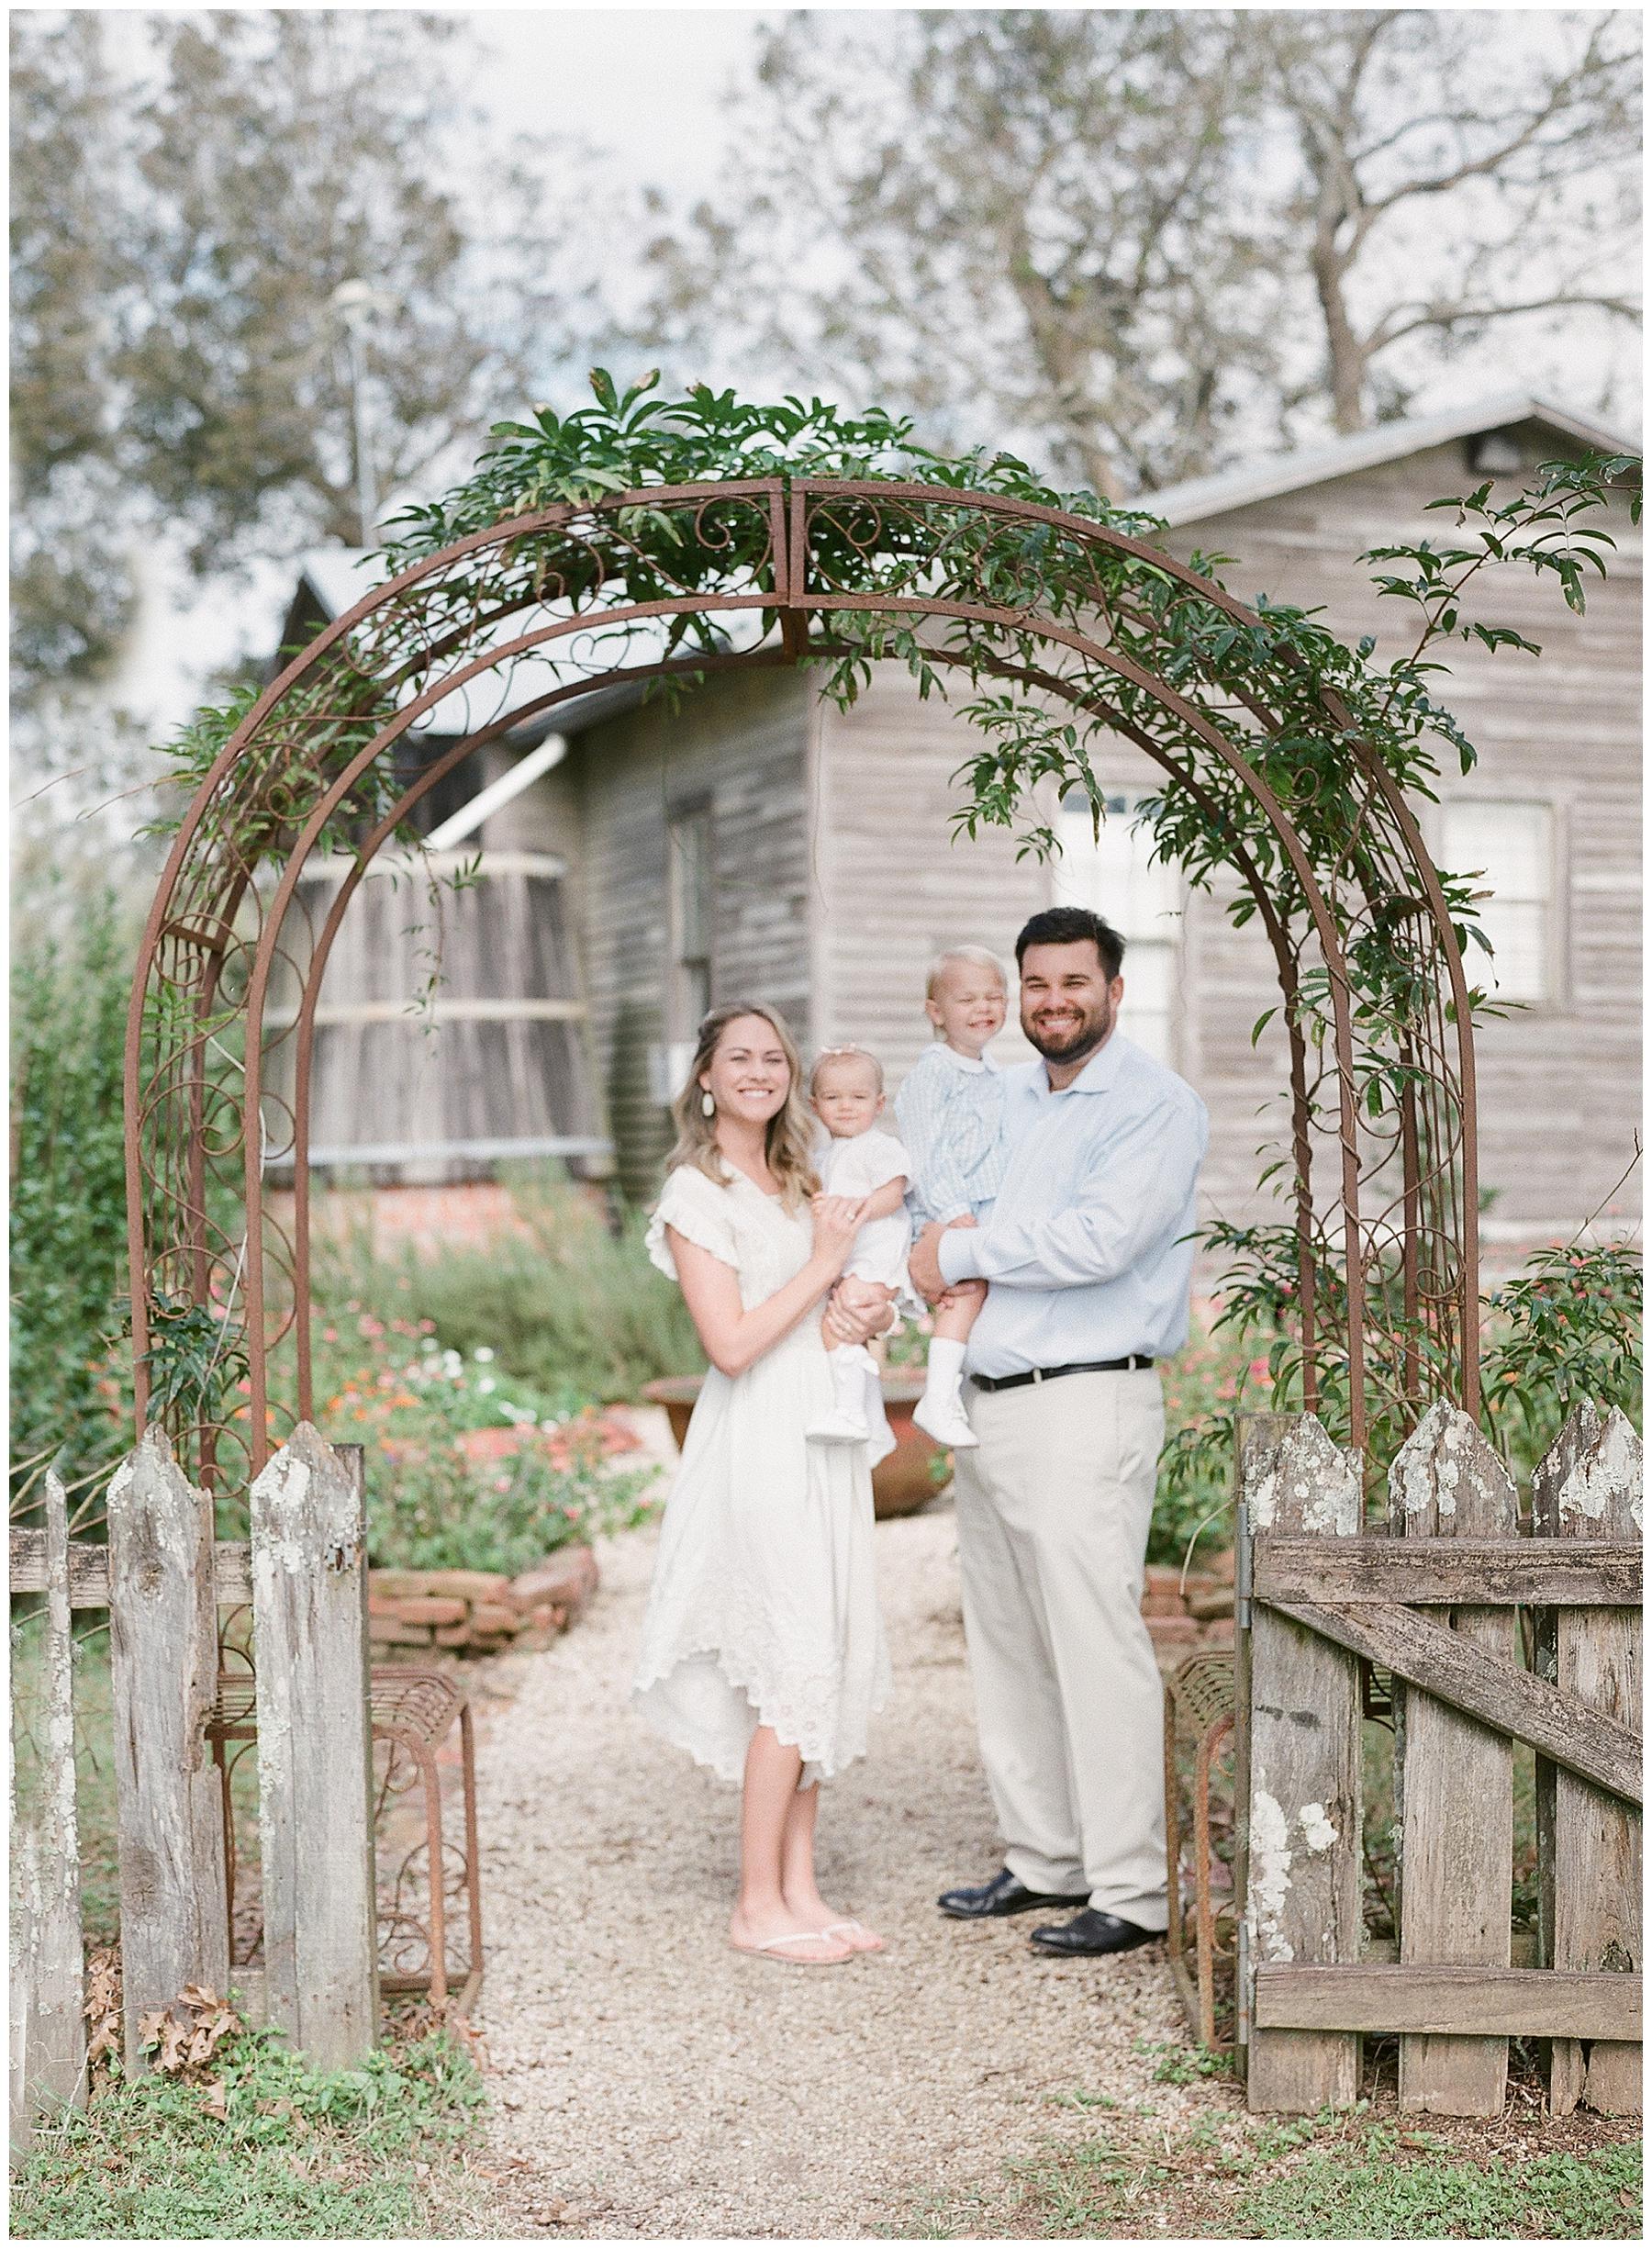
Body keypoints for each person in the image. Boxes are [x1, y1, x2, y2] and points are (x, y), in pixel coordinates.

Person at [908, 906, 1209, 1959]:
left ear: (1115, 990)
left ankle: (1131, 1887)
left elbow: (1101, 1238)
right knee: (1009, 1638)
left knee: (1093, 1637)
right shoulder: (1004, 1098)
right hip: (989, 1398)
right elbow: (942, 1212)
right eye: (1036, 983)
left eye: (1073, 982)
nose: (1051, 1001)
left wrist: (960, 1250)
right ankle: (1045, 1857)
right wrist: (935, 1253)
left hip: (1088, 1396)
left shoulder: (1155, 1105)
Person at [632, 1001, 893, 1965]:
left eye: (773, 1056)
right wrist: (826, 1265)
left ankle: (801, 1888)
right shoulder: (695, 1196)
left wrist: (856, 1308)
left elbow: (815, 1306)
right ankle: (754, 1903)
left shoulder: (796, 1179)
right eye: (738, 1056)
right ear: (704, 1076)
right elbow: (733, 1342)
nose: (759, 1070)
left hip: (820, 1432)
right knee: (789, 1659)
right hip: (759, 1443)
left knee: (817, 1648)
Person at [893, 946, 1007, 1449]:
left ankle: (955, 1392)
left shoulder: (997, 1076)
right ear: (936, 1012)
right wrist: (956, 1217)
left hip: (984, 1213)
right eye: (967, 999)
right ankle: (936, 1397)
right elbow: (927, 1153)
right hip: (947, 1211)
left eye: (994, 997)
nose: (983, 1007)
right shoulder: (933, 1074)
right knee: (966, 1293)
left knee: (981, 1298)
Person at [803, 1045, 912, 1463]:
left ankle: (851, 1413)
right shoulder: (824, 1156)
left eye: (858, 1098)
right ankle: (872, 1423)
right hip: (848, 1259)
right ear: (815, 1106)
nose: (846, 1107)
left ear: (879, 1103)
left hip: (874, 1255)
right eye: (833, 1098)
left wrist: (864, 1207)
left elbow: (895, 1189)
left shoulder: (877, 1146)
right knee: (841, 1327)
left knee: (839, 1327)